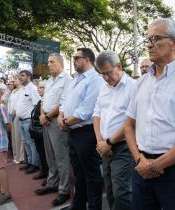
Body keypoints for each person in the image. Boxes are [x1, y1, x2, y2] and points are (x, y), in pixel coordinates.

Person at [124, 18, 175, 210]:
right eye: (147, 39)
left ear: (174, 42)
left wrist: (155, 166)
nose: (149, 44)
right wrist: (140, 159)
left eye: (155, 38)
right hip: (141, 166)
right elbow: (128, 124)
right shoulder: (140, 83)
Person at [58, 48, 104, 210]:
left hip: (86, 132)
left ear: (87, 59)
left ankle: (94, 206)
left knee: (91, 174)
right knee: (79, 173)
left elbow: (86, 110)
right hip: (73, 131)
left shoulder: (95, 80)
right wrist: (61, 117)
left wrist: (65, 122)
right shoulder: (75, 79)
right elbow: (64, 101)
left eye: (76, 57)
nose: (74, 60)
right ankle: (78, 205)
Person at [93, 51, 135, 210]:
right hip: (104, 146)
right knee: (109, 189)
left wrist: (110, 142)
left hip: (124, 146)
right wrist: (100, 141)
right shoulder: (103, 88)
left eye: (108, 72)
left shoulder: (133, 86)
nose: (105, 78)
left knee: (121, 192)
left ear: (119, 66)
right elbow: (96, 114)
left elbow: (131, 121)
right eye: (102, 74)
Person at [36, 53, 72, 207]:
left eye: (51, 62)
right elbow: (44, 101)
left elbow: (64, 102)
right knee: (50, 156)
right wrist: (42, 115)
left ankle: (64, 190)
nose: (48, 64)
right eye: (48, 62)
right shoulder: (49, 81)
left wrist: (48, 116)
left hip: (57, 123)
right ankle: (52, 183)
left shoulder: (68, 80)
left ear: (60, 63)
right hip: (46, 122)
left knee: (61, 158)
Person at [16, 70, 40, 174]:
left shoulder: (33, 88)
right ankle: (29, 162)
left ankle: (34, 164)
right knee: (26, 143)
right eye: (19, 76)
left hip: (28, 121)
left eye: (22, 75)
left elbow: (37, 105)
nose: (20, 78)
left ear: (29, 76)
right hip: (21, 121)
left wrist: (34, 120)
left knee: (31, 143)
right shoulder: (22, 89)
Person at [30, 81, 49, 183]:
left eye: (41, 87)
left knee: (46, 154)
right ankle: (44, 171)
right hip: (38, 131)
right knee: (41, 153)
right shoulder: (40, 100)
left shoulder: (47, 101)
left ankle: (48, 174)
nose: (39, 89)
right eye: (38, 87)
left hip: (43, 130)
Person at [8, 75, 24, 164]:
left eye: (15, 79)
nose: (14, 80)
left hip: (17, 115)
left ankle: (20, 157)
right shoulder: (13, 90)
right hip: (11, 115)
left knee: (18, 137)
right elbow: (10, 103)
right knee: (13, 136)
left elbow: (19, 103)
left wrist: (14, 111)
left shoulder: (22, 90)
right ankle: (15, 155)